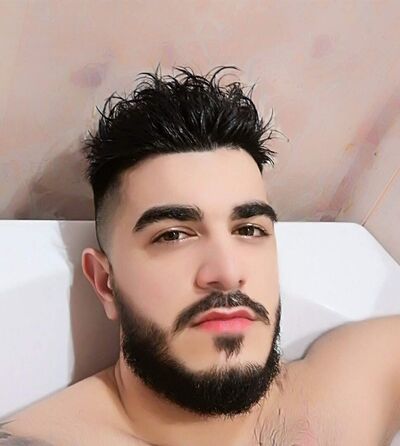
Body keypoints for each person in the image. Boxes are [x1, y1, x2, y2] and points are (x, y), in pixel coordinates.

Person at [1, 65, 399, 446]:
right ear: (106, 283)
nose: (227, 272)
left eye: (249, 229)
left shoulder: (356, 387)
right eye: (173, 235)